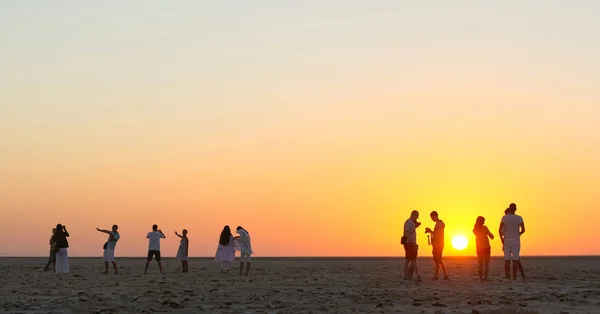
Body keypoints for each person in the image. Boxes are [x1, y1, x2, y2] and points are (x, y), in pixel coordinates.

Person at [499, 203, 526, 281]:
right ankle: (514, 278)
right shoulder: (519, 218)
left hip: (507, 239)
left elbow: (499, 230)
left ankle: (508, 277)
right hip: (515, 240)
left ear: (509, 208)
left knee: (507, 260)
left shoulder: (504, 218)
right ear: (516, 209)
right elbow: (523, 230)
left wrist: (502, 239)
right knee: (515, 260)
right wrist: (518, 234)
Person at [425, 211, 449, 280]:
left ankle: (436, 276)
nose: (432, 219)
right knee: (440, 260)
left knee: (437, 260)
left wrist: (430, 231)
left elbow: (437, 235)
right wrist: (431, 231)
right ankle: (445, 275)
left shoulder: (439, 224)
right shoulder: (439, 224)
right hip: (439, 244)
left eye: (432, 217)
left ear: (435, 216)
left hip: (438, 244)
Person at [403, 210, 422, 281]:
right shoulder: (408, 222)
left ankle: (407, 276)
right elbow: (406, 233)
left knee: (409, 260)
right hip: (409, 243)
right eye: (417, 216)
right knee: (412, 260)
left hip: (411, 243)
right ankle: (417, 276)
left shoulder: (411, 223)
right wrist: (411, 243)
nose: (417, 218)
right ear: (413, 215)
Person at [473, 216, 494, 282]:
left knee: (480, 264)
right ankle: (485, 277)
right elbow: (491, 236)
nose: (484, 222)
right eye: (483, 221)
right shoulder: (485, 228)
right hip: (486, 247)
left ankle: (481, 278)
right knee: (486, 264)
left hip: (479, 248)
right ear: (481, 222)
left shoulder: (474, 230)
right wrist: (491, 235)